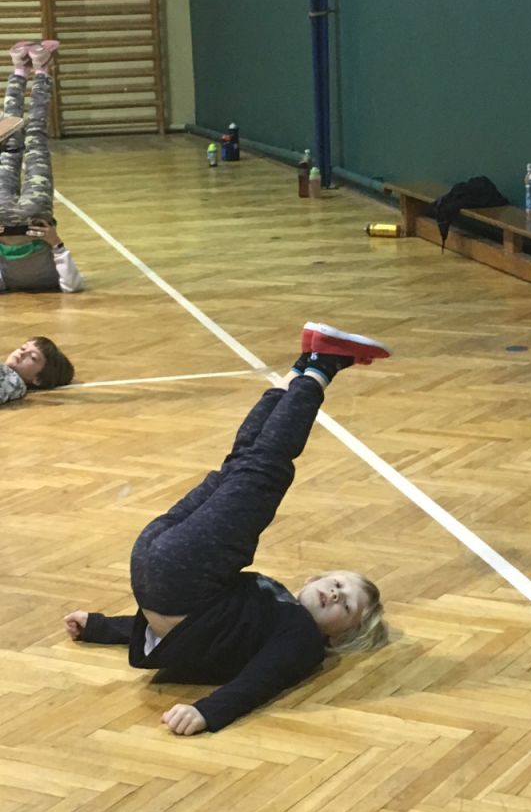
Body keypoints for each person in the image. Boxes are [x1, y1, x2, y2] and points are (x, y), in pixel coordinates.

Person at [64, 323, 391, 736]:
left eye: (346, 607)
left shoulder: (302, 640)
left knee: (264, 469)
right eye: (339, 584)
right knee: (242, 462)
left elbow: (264, 678)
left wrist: (210, 711)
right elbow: (201, 627)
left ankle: (322, 365)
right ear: (314, 578)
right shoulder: (276, 602)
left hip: (175, 572)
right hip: (160, 561)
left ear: (341, 638)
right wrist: (100, 627)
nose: (336, 594)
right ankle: (302, 367)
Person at [0, 40, 84, 293]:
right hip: (5, 219)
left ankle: (40, 69)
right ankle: (19, 68)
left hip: (35, 222)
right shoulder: (7, 285)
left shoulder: (48, 284)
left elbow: (72, 286)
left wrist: (56, 243)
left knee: (35, 136)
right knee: (11, 143)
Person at [1, 336, 75, 404]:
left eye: (33, 357)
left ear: (39, 379)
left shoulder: (14, 384)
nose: (22, 353)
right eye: (23, 348)